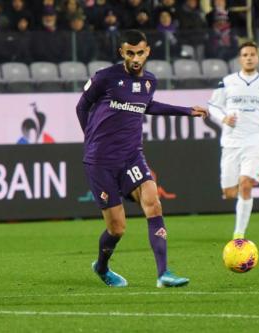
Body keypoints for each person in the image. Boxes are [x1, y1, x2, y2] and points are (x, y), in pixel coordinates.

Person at [76, 30, 207, 288]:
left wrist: (186, 111)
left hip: (131, 157)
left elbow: (148, 105)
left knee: (153, 204)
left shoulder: (149, 81)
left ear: (147, 52)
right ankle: (102, 267)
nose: (136, 58)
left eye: (140, 53)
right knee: (117, 229)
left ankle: (163, 274)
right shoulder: (105, 77)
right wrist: (89, 137)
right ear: (122, 53)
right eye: (130, 53)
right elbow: (82, 106)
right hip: (100, 162)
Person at [207, 41, 259, 240]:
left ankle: (239, 234)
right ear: (240, 59)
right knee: (229, 192)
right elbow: (213, 106)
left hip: (256, 140)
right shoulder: (227, 82)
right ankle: (238, 218)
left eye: (252, 54)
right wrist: (223, 117)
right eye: (245, 55)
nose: (249, 57)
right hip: (231, 141)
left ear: (257, 58)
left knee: (246, 184)